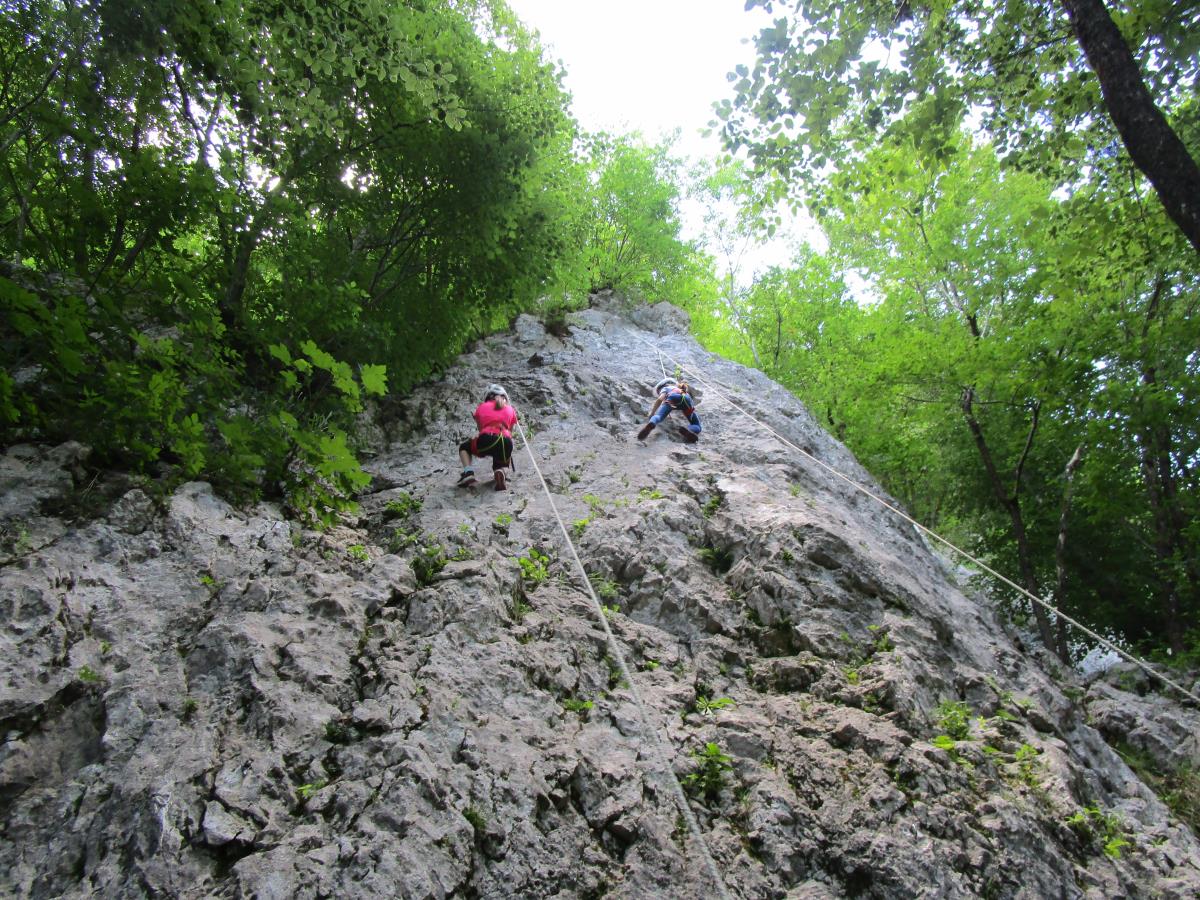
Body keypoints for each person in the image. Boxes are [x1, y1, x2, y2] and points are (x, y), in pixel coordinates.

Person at [457, 384, 518, 490]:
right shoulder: (510, 409)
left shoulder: (482, 407)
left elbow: (481, 430)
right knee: (501, 454)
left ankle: (468, 473)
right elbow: (510, 432)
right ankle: (501, 471)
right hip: (506, 441)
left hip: (487, 438)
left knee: (464, 447)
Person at [637, 377, 701, 442]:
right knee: (696, 424)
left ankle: (652, 423)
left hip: (672, 399)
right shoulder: (680, 389)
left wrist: (652, 413)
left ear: (661, 387)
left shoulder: (665, 388)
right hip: (687, 399)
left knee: (659, 416)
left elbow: (660, 399)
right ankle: (689, 430)